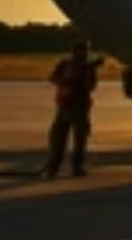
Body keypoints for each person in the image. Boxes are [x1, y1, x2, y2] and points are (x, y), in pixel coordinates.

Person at [43, 40, 102, 177]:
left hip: (80, 106)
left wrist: (84, 77)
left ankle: (76, 166)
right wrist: (67, 80)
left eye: (85, 51)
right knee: (59, 137)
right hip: (66, 105)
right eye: (81, 51)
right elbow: (53, 78)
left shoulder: (88, 68)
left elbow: (92, 85)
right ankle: (54, 166)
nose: (83, 54)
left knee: (79, 138)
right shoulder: (66, 65)